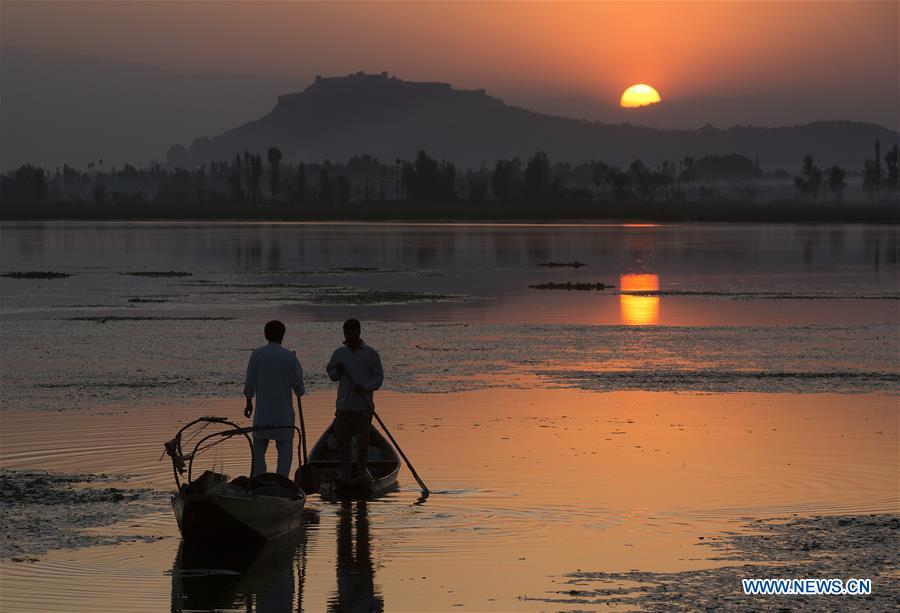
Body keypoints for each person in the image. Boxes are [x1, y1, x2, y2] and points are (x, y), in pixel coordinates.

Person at [244, 320, 305, 477]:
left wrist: (249, 403)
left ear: (266, 335)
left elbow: (249, 383)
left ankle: (258, 481)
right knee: (284, 453)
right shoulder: (289, 357)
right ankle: (282, 481)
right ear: (282, 335)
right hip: (283, 416)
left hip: (262, 415)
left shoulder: (257, 355)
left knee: (258, 452)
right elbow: (299, 389)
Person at [326, 319, 384, 480]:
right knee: (342, 443)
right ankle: (345, 473)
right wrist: (337, 371)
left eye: (352, 332)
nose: (349, 336)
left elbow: (378, 378)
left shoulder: (370, 354)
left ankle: (361, 472)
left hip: (363, 408)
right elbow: (332, 375)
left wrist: (364, 387)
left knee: (363, 444)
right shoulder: (339, 353)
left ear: (359, 332)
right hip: (344, 406)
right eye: (347, 333)